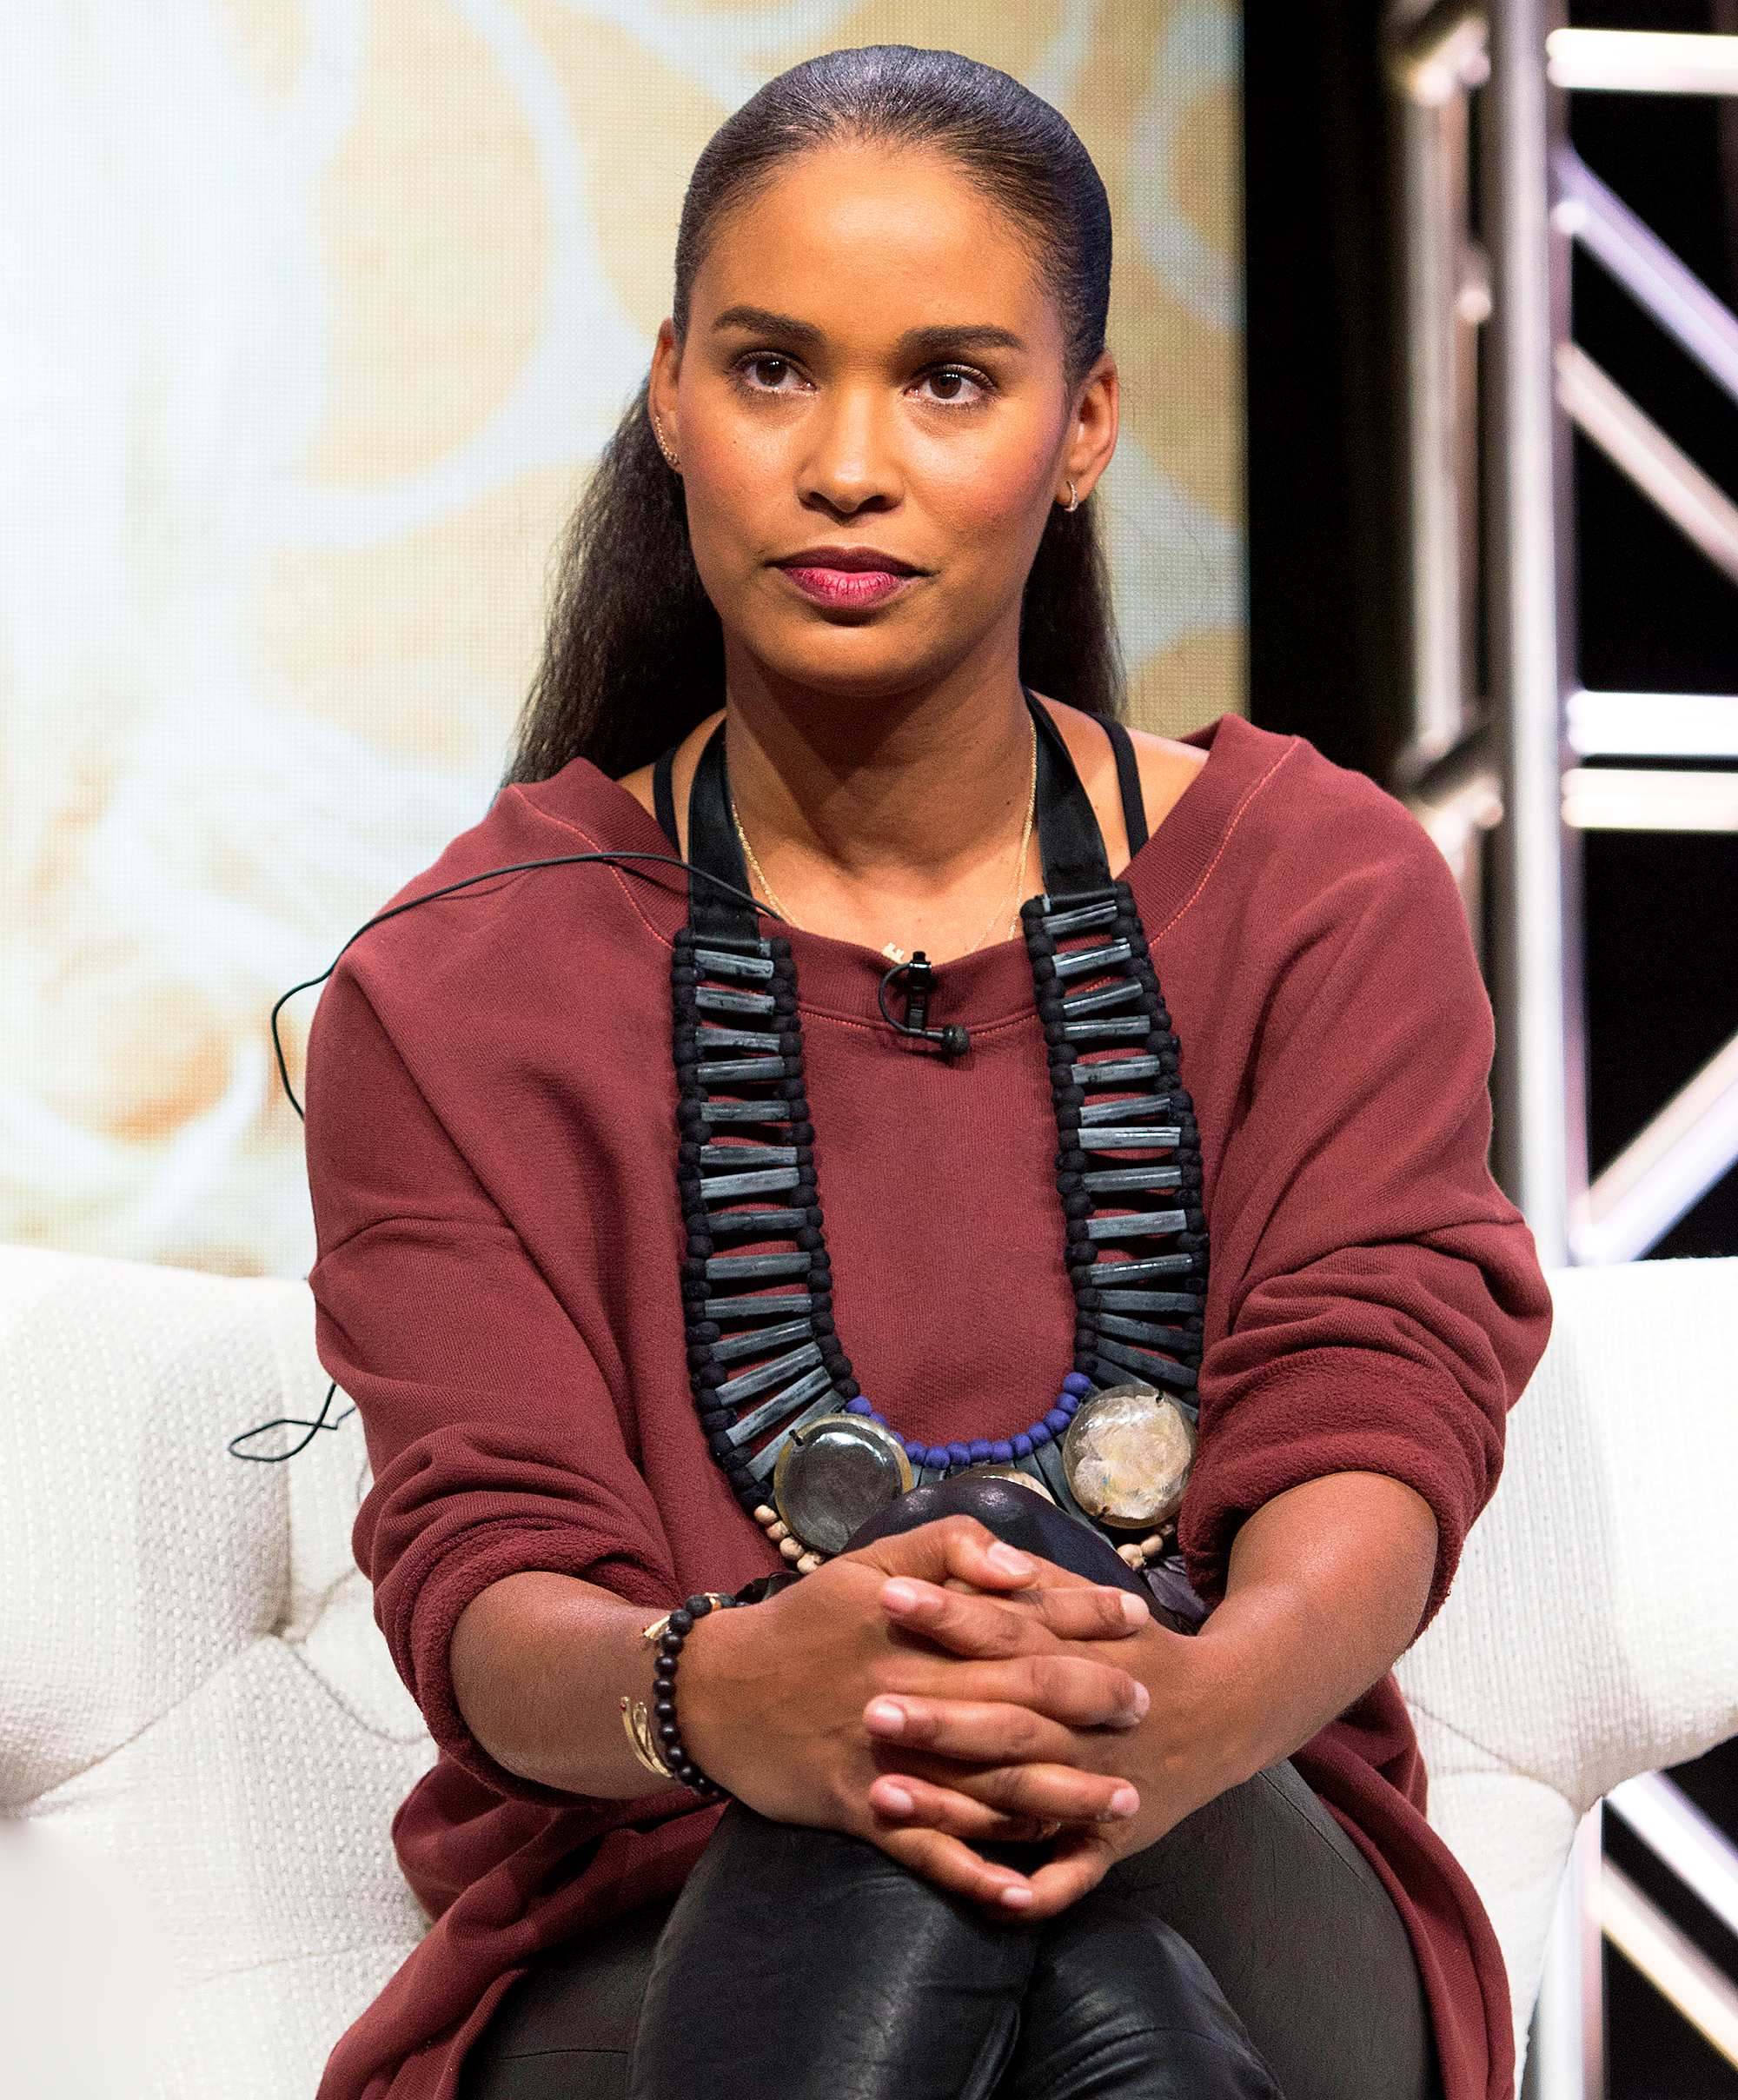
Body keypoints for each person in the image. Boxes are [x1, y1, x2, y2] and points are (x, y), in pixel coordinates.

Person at [303, 44, 1551, 2100]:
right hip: (648, 1916)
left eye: (950, 381)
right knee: (1055, 1967)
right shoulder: (460, 981)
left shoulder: (1318, 888)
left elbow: (1377, 1389)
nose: (849, 462)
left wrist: (1181, 1698)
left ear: (1082, 427)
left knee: (1022, 1694)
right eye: (775, 368)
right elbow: (486, 1567)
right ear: (671, 397)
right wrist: (736, 1693)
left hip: (1236, 1813)